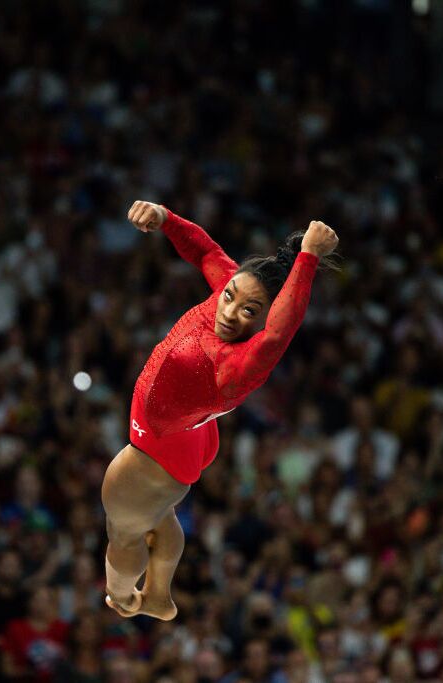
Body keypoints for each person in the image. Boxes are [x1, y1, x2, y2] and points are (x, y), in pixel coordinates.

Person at [101, 200, 338, 620]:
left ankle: (121, 597)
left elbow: (279, 333)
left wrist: (308, 259)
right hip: (185, 436)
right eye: (230, 296)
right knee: (159, 515)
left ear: (266, 317)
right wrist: (167, 219)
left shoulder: (237, 364)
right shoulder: (230, 290)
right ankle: (158, 596)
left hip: (158, 448)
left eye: (249, 312)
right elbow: (207, 253)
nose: (228, 313)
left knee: (123, 530)